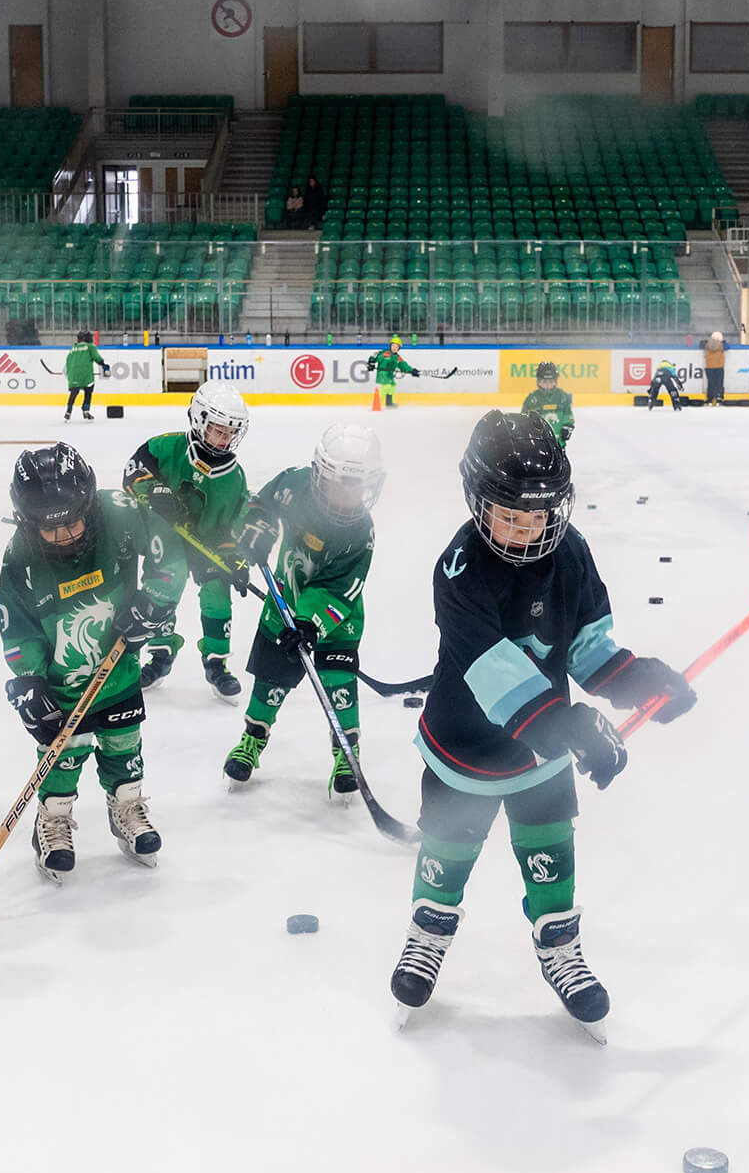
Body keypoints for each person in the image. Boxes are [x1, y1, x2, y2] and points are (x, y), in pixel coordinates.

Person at [392, 411, 697, 1041]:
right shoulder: (459, 569)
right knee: (446, 859)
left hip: (543, 761)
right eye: (508, 514)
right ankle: (427, 935)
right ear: (477, 501)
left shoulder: (573, 552)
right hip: (466, 747)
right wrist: (568, 726)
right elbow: (491, 666)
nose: (526, 530)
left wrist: (639, 681)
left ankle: (560, 948)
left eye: (537, 514)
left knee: (551, 856)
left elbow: (587, 648)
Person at [0, 444, 180, 879]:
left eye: (74, 523)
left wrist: (154, 605)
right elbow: (17, 627)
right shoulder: (20, 558)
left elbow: (168, 554)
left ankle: (127, 806)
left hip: (117, 668)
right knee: (64, 753)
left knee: (124, 742)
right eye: (50, 530)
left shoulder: (118, 512)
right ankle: (53, 817)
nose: (66, 537)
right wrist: (29, 681)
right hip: (63, 684)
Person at [221, 421, 383, 803]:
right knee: (270, 681)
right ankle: (252, 738)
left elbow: (340, 588)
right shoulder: (295, 483)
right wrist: (257, 526)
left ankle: (347, 752)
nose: (348, 495)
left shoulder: (362, 531)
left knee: (339, 685)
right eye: (340, 484)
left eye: (356, 486)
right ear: (320, 475)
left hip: (334, 619)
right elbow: (259, 503)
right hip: (284, 602)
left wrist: (310, 624)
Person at [122, 381, 253, 699]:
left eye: (230, 433)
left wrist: (236, 556)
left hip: (207, 543)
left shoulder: (234, 477)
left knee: (217, 591)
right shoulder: (165, 447)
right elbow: (132, 475)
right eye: (218, 431)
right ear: (199, 421)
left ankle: (216, 663)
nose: (225, 440)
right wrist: (152, 490)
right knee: (163, 587)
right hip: (165, 538)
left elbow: (236, 523)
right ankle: (161, 655)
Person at [520, 360, 574, 448]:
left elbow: (568, 416)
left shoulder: (562, 397)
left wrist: (567, 428)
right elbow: (523, 420)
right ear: (538, 381)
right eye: (544, 382)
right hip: (539, 446)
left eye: (551, 381)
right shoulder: (531, 400)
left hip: (559, 445)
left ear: (555, 381)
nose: (548, 385)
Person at [64, 330, 109, 421]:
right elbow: (97, 358)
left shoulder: (73, 348)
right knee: (88, 389)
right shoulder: (90, 346)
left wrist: (70, 374)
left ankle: (68, 411)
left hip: (73, 374)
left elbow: (68, 361)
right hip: (85, 374)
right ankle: (85, 410)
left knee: (74, 391)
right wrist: (104, 366)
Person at [370, 336, 419, 409]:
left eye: (396, 347)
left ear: (399, 348)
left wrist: (411, 370)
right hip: (382, 373)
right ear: (390, 346)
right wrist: (371, 363)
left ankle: (389, 402)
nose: (394, 348)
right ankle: (376, 402)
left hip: (390, 374)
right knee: (386, 387)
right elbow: (375, 356)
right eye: (393, 346)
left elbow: (403, 365)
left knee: (392, 386)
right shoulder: (385, 353)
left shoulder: (397, 357)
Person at [701, 331, 727, 406]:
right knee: (719, 383)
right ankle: (719, 397)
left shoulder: (707, 345)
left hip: (709, 367)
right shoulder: (722, 345)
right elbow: (728, 347)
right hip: (719, 366)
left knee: (711, 383)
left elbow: (701, 345)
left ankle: (710, 398)